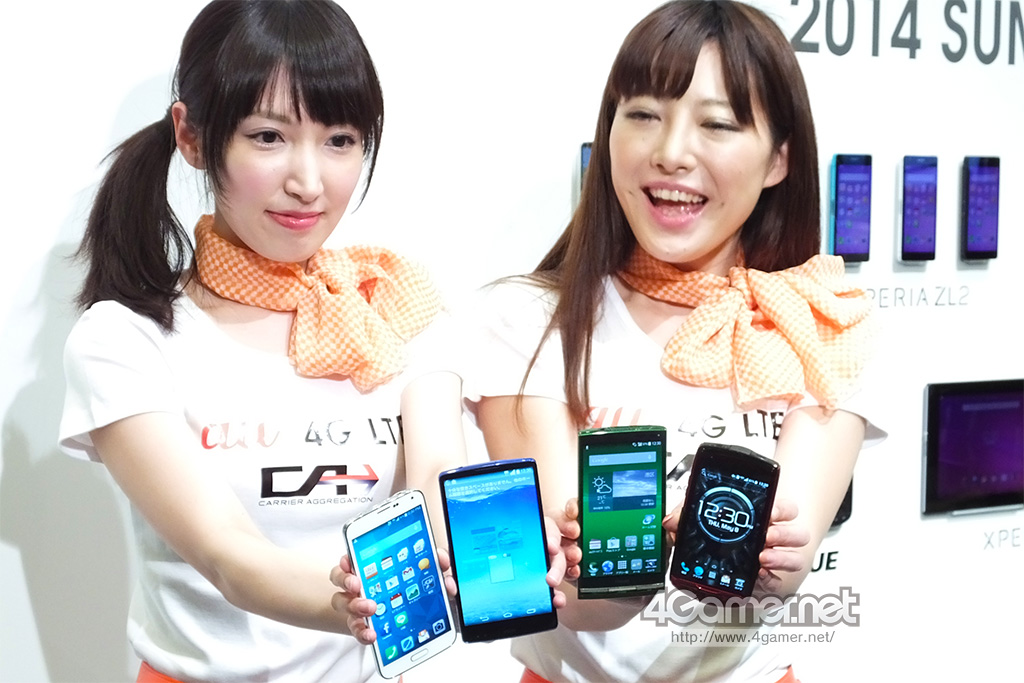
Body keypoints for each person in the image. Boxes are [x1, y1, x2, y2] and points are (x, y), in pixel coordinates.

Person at [462, 2, 882, 682]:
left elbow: (779, 576)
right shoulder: (525, 320)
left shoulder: (822, 323)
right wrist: (654, 544)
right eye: (644, 115)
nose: (671, 152)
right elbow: (575, 597)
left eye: (717, 124)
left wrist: (756, 550)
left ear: (779, 159)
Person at [59, 1, 466, 680]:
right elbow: (227, 555)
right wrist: (357, 600)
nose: (308, 182)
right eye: (269, 136)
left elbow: (437, 475)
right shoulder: (124, 340)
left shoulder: (395, 304)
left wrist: (465, 547)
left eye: (340, 140)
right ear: (192, 137)